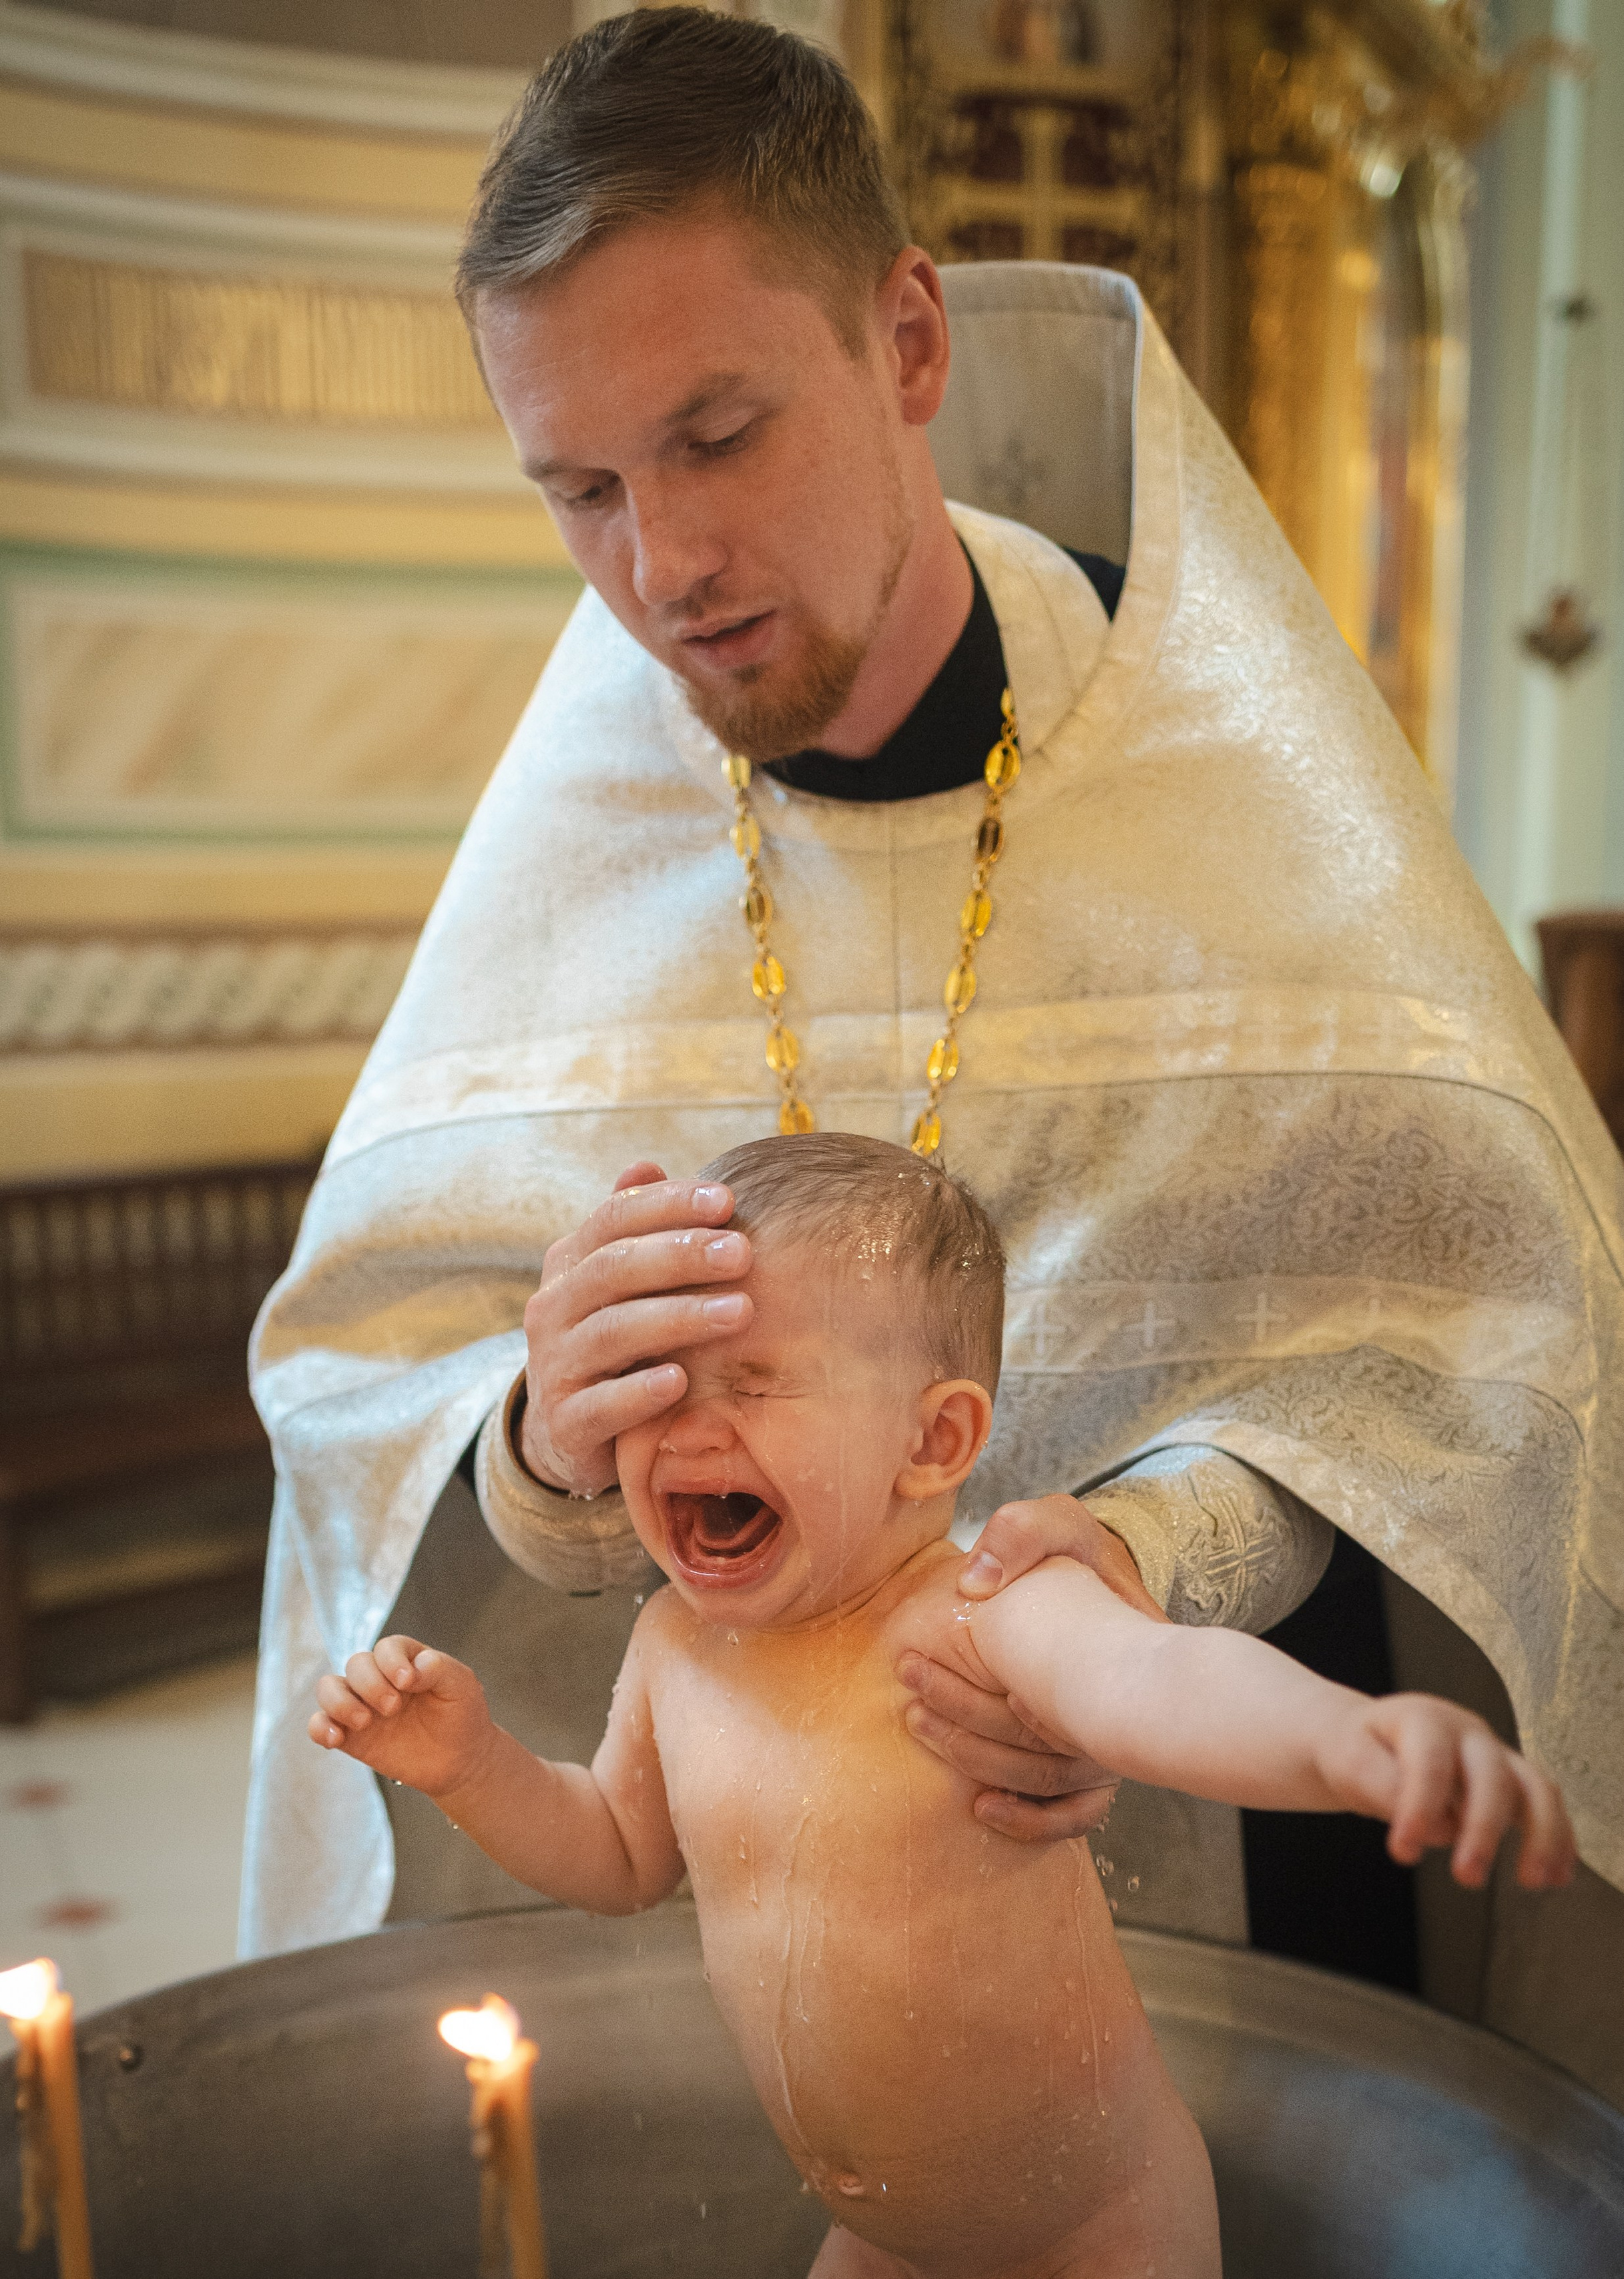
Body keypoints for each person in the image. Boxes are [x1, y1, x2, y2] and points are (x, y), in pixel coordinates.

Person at [243, 3, 1624, 2049]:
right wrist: (542, 1437)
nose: (662, 565)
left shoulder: (1223, 777)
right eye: (581, 487)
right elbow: (368, 1395)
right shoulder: (582, 829)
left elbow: (1471, 1345)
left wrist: (1138, 1559)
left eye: (718, 436)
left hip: (1255, 1872)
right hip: (776, 1928)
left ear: (906, 341)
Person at [309, 1136, 1575, 2279]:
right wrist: (471, 1764)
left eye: (754, 1381)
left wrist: (1345, 1739)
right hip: (884, 2242)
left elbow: (1158, 1681)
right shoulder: (673, 1646)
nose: (688, 1429)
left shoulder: (981, 1611)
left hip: (1098, 2233)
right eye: (661, 1385)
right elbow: (618, 1855)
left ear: (933, 1442)